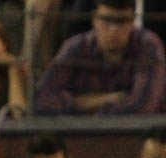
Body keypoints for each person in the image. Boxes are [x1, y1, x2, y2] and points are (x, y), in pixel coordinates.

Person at [34, 0, 166, 114]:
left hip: (135, 139)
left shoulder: (148, 45)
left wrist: (81, 106)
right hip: (79, 137)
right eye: (107, 20)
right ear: (94, 20)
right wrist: (103, 100)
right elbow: (42, 100)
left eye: (122, 21)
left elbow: (143, 108)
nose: (114, 29)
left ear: (133, 23)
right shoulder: (77, 46)